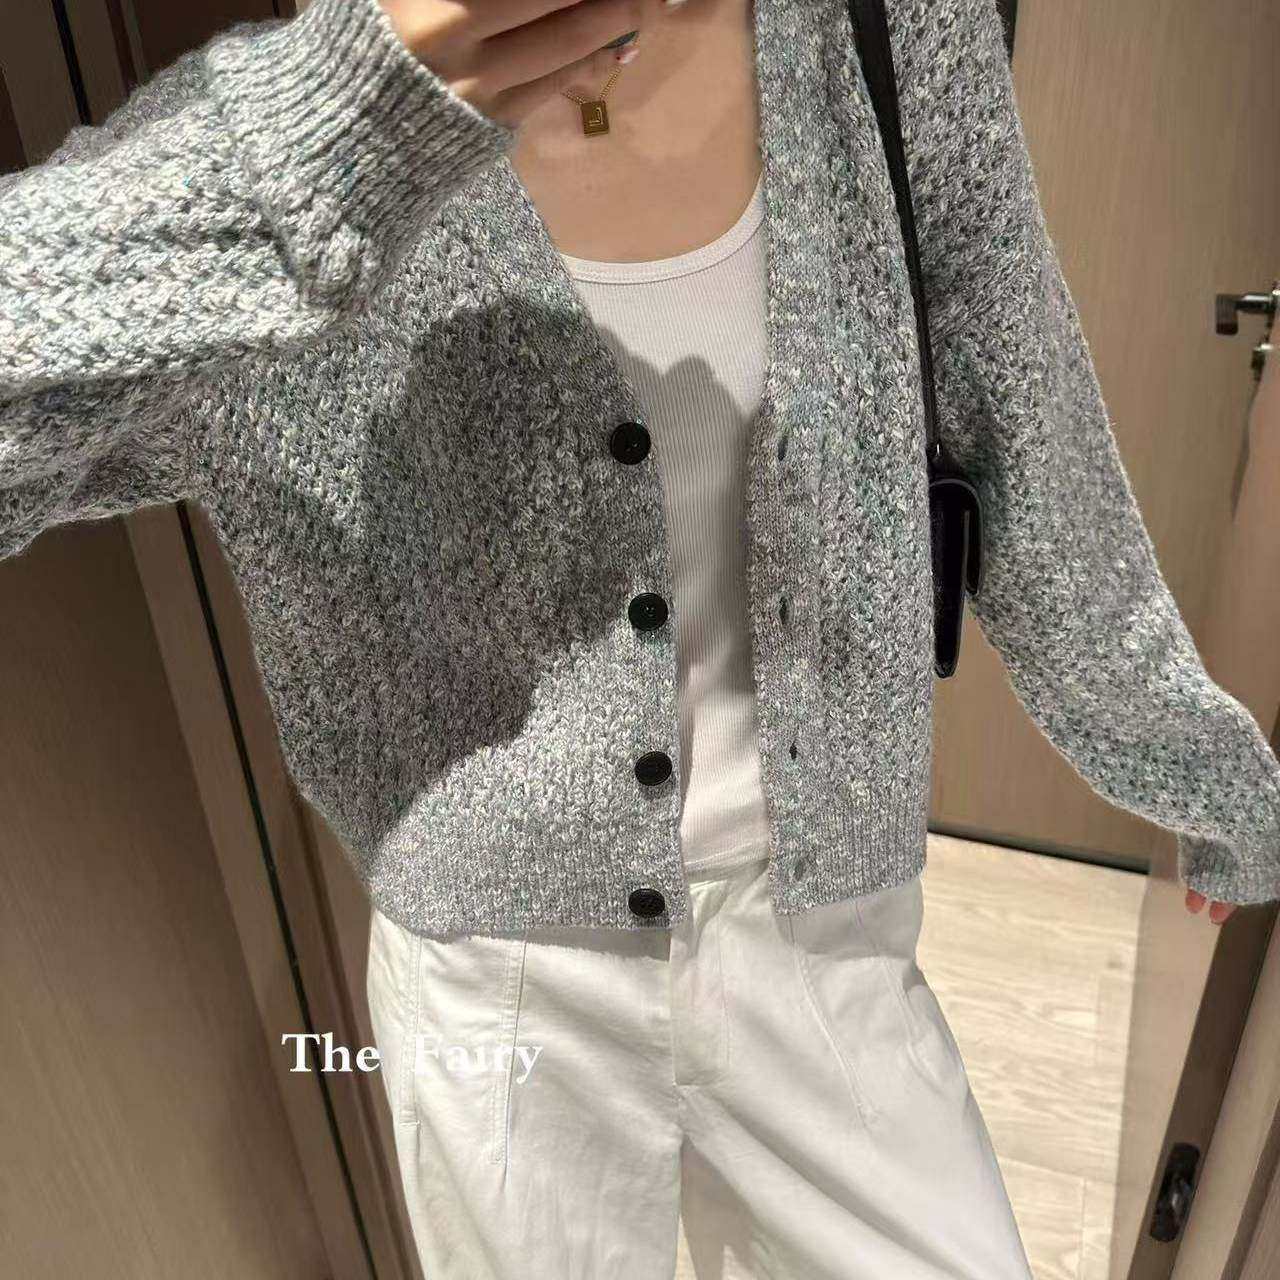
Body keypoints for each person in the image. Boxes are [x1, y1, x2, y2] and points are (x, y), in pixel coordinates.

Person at [2, 0, 1272, 1275]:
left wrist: (1195, 766)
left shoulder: (886, 32)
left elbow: (1027, 422)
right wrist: (331, 137)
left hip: (820, 910)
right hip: (500, 961)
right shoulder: (302, 128)